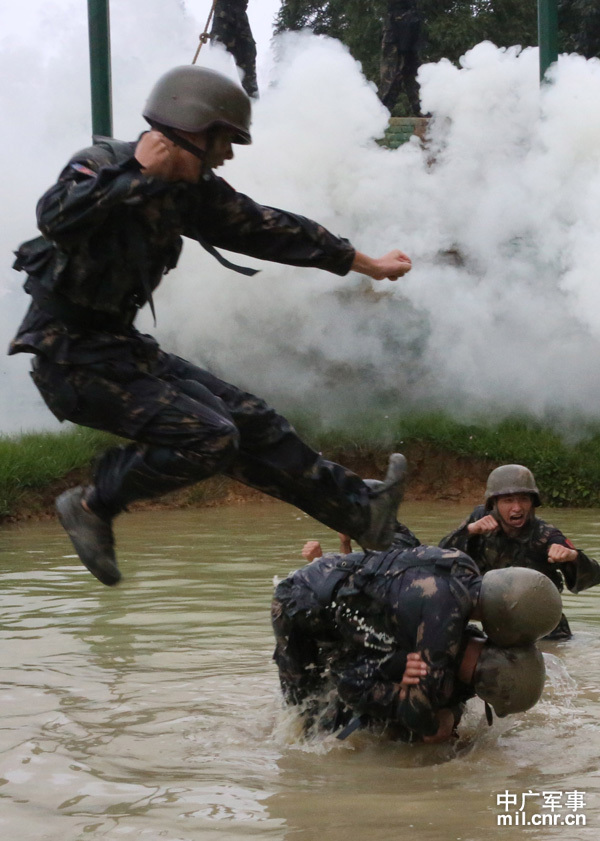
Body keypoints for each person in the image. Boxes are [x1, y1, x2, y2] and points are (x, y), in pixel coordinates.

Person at [8, 65, 413, 587]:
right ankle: (91, 503)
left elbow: (270, 229)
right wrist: (134, 174)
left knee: (255, 423)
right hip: (69, 359)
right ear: (194, 129)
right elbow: (55, 218)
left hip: (121, 349)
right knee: (212, 437)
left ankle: (363, 511)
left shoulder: (191, 191)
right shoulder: (101, 165)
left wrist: (369, 264)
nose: (229, 153)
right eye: (226, 139)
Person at [272, 543, 559, 742]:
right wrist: (439, 720)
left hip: (331, 581)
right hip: (301, 605)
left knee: (327, 697)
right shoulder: (442, 621)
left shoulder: (461, 565)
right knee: (303, 714)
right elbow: (421, 719)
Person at [439, 464, 600, 640]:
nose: (517, 508)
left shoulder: (545, 534)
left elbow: (593, 577)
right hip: (498, 623)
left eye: (524, 499)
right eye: (508, 500)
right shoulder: (479, 520)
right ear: (494, 504)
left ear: (532, 503)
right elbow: (440, 560)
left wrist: (572, 557)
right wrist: (469, 531)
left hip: (546, 630)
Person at [378, 0, 424, 117]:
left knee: (414, 70)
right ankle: (381, 113)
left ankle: (422, 109)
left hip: (412, 22)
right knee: (391, 74)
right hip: (394, 27)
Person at [210, 0, 258, 98]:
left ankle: (255, 107)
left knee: (248, 58)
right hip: (223, 13)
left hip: (239, 14)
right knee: (218, 60)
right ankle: (215, 102)